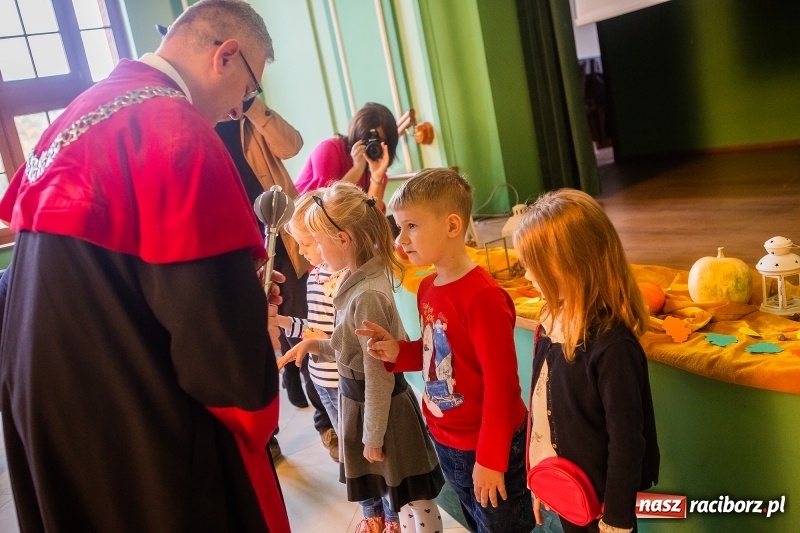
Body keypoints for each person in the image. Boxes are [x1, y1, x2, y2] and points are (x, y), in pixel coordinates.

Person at [0, 1, 290, 531]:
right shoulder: (176, 132)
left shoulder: (78, 113)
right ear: (226, 56)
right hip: (136, 423)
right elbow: (221, 361)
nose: (237, 110)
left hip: (49, 408)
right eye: (247, 92)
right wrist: (248, 325)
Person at [357, 168, 536, 533]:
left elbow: (503, 387)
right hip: (447, 439)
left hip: (488, 446)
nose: (399, 239)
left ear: (453, 226)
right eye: (398, 226)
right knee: (477, 521)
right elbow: (437, 356)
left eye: (411, 226)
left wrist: (490, 458)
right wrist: (398, 352)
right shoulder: (428, 287)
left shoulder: (483, 298)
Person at [279, 182, 445, 533]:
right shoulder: (354, 279)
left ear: (343, 240)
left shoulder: (366, 294)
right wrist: (315, 346)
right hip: (363, 404)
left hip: (381, 412)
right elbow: (350, 347)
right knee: (398, 497)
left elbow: (378, 374)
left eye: (320, 241)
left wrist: (372, 435)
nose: (318, 252)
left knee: (413, 497)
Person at [512, 188, 660, 533]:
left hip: (605, 507)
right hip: (568, 491)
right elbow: (543, 409)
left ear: (568, 266)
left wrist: (618, 519)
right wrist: (543, 479)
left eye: (532, 266)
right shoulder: (551, 323)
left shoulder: (612, 347)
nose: (526, 277)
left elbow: (626, 440)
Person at [215, 97, 340, 462]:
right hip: (234, 248)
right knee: (252, 340)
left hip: (281, 240)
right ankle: (267, 434)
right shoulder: (193, 122)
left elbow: (292, 145)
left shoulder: (250, 116)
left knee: (306, 325)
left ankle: (326, 422)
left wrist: (252, 106)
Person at [275, 191, 342, 462]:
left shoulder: (344, 280)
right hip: (322, 379)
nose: (300, 252)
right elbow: (312, 326)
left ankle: (374, 501)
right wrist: (283, 322)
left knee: (359, 448)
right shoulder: (314, 277)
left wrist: (319, 340)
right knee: (346, 444)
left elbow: (347, 338)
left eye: (305, 244)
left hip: (344, 382)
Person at [294, 102, 399, 211]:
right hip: (302, 219)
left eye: (379, 141)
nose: (372, 145)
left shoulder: (377, 170)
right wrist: (357, 168)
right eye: (367, 139)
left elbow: (373, 217)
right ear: (357, 133)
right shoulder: (330, 149)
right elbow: (323, 207)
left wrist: (376, 179)